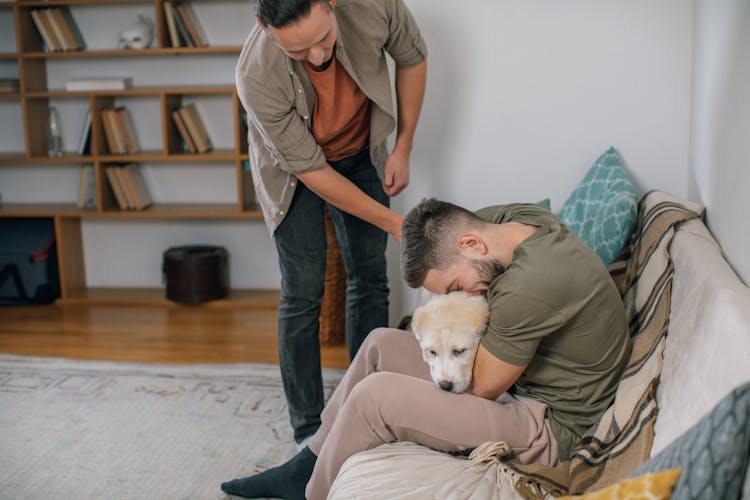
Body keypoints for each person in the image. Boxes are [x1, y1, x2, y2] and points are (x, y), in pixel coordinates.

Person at [221, 198, 632, 500]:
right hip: (522, 385)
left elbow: (481, 387)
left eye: (454, 288)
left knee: (374, 397)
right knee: (379, 343)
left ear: (472, 244)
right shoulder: (515, 223)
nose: (463, 297)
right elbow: (439, 229)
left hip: (547, 422)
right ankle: (309, 461)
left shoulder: (531, 285)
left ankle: (314, 494)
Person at [234, 0, 427, 446]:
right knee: (303, 290)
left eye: (323, 40)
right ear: (265, 27)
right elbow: (312, 171)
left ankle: (365, 404)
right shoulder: (255, 74)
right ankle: (307, 428)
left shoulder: (375, 5)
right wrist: (395, 223)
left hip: (360, 151)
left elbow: (412, 57)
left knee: (370, 274)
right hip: (294, 172)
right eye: (299, 53)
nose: (318, 57)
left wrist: (403, 147)